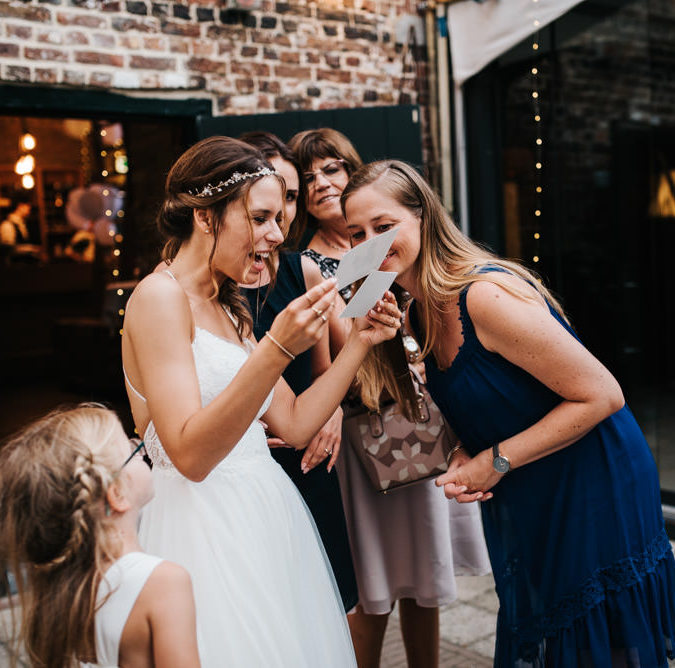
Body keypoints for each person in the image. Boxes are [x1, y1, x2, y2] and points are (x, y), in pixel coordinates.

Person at [341, 160, 675, 667]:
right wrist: (467, 447)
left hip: (591, 475)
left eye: (383, 225)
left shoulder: (482, 296)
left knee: (598, 642)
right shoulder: (414, 309)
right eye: (357, 234)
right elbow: (491, 396)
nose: (370, 242)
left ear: (423, 218)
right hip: (533, 482)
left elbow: (602, 394)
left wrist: (496, 461)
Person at [119, 136, 402, 666]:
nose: (277, 234)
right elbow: (191, 456)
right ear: (206, 217)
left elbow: (294, 425)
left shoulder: (228, 306)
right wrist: (276, 348)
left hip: (267, 513)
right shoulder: (159, 298)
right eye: (262, 217)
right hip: (202, 527)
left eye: (280, 218)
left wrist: (360, 341)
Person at [289, 128, 490, 668]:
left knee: (423, 571)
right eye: (306, 178)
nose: (320, 183)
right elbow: (332, 359)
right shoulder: (310, 264)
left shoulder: (401, 241)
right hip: (364, 429)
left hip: (422, 420)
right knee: (371, 579)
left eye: (331, 169)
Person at [237, 130, 360, 612]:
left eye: (290, 197)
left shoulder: (302, 270)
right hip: (254, 460)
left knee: (328, 601)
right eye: (271, 200)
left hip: (309, 454)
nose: (284, 211)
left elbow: (325, 368)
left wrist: (332, 413)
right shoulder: (219, 284)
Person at [0, 404, 200, 668]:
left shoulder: (63, 581)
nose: (140, 447)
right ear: (116, 494)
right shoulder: (163, 582)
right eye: (131, 450)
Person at [0, 195, 42, 264]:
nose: (29, 209)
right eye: (28, 206)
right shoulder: (7, 225)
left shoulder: (23, 223)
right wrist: (31, 249)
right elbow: (8, 249)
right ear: (20, 206)